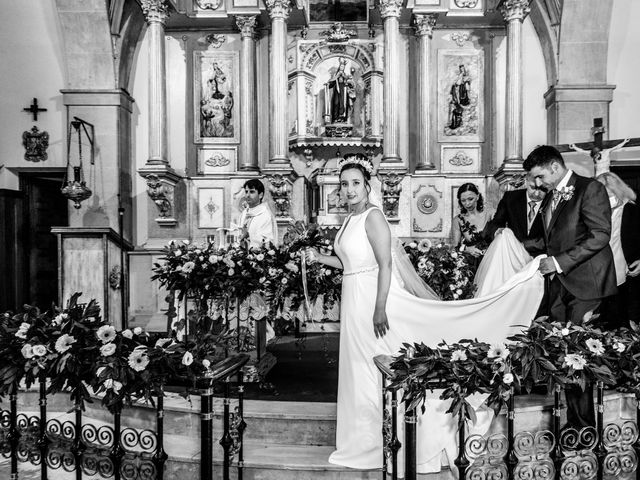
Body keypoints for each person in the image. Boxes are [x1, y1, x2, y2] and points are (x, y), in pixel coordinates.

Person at [305, 153, 544, 474]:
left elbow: (385, 264)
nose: (349, 189)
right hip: (353, 295)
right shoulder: (349, 220)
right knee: (357, 366)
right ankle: (361, 440)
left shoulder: (373, 217)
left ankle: (380, 442)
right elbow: (349, 263)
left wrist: (379, 307)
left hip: (372, 298)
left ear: (367, 186)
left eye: (355, 184)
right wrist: (319, 256)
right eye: (344, 184)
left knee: (372, 365)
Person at [523, 145, 617, 429]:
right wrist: (514, 244)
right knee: (563, 355)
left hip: (586, 284)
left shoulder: (590, 189)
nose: (537, 184)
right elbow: (550, 240)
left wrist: (559, 262)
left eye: (539, 176)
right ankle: (572, 421)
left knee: (579, 355)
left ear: (554, 166)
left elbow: (600, 235)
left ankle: (584, 426)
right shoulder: (552, 196)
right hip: (560, 287)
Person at [596, 172, 640, 327]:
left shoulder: (631, 210)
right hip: (599, 270)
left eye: (609, 195)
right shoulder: (594, 211)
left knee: (621, 316)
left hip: (624, 270)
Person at [483, 173, 546, 257]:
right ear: (526, 182)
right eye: (533, 188)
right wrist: (497, 231)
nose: (537, 194)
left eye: (542, 189)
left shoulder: (552, 199)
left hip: (541, 257)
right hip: (512, 256)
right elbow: (496, 223)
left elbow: (555, 236)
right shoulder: (510, 198)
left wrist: (521, 245)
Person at [452, 183, 494, 261]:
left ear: (477, 197)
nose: (467, 203)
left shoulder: (490, 214)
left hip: (493, 260)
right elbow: (455, 248)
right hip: (473, 262)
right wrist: (467, 249)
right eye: (463, 201)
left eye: (470, 199)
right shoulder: (458, 220)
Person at [238, 179, 278, 249]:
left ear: (260, 195)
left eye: (252, 192)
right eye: (246, 191)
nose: (247, 195)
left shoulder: (265, 215)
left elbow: (268, 241)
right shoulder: (244, 213)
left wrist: (248, 236)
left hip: (258, 257)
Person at [325, 58, 356, 124]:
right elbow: (332, 83)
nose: (342, 68)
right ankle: (335, 118)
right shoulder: (336, 76)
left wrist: (346, 79)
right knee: (336, 103)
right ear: (339, 67)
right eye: (341, 66)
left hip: (344, 92)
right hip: (337, 92)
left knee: (344, 105)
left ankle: (343, 119)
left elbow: (351, 83)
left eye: (343, 67)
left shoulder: (346, 76)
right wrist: (328, 84)